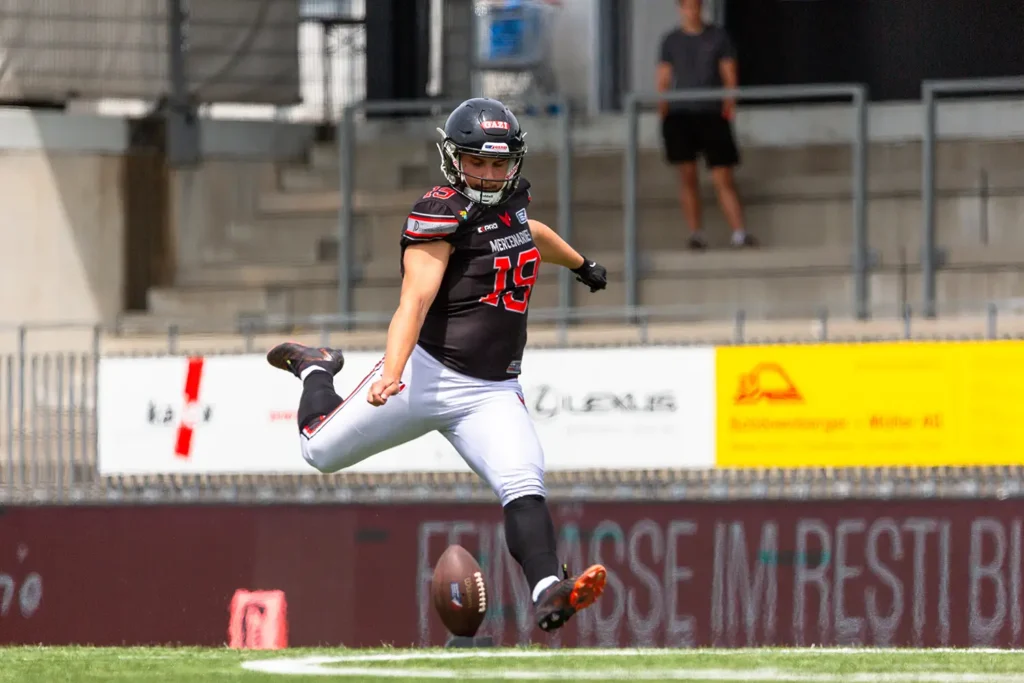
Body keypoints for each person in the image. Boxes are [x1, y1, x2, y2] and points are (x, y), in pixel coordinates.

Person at [266, 97, 609, 634]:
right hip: (426, 372)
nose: (490, 174)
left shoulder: (512, 197)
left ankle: (548, 590)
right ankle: (316, 368)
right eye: (477, 162)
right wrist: (391, 372)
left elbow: (531, 234)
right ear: (454, 159)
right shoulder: (442, 210)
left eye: (499, 164)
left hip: (492, 389)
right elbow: (414, 303)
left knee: (524, 483)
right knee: (320, 451)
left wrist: (581, 264)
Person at [657, 0, 755, 250]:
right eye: (688, 6)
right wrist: (664, 113)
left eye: (696, 6)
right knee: (687, 176)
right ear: (681, 8)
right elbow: (664, 79)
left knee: (723, 176)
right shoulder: (671, 41)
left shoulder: (718, 37)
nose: (693, 11)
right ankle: (696, 233)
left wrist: (729, 106)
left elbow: (729, 75)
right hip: (680, 115)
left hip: (711, 113)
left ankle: (739, 232)